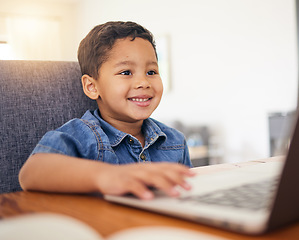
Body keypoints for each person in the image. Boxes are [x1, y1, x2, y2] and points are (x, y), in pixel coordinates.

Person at [19, 21, 194, 200]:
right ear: (92, 87)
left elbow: (188, 193)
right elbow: (31, 173)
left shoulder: (175, 140)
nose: (144, 82)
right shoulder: (80, 135)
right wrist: (106, 176)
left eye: (151, 72)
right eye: (126, 72)